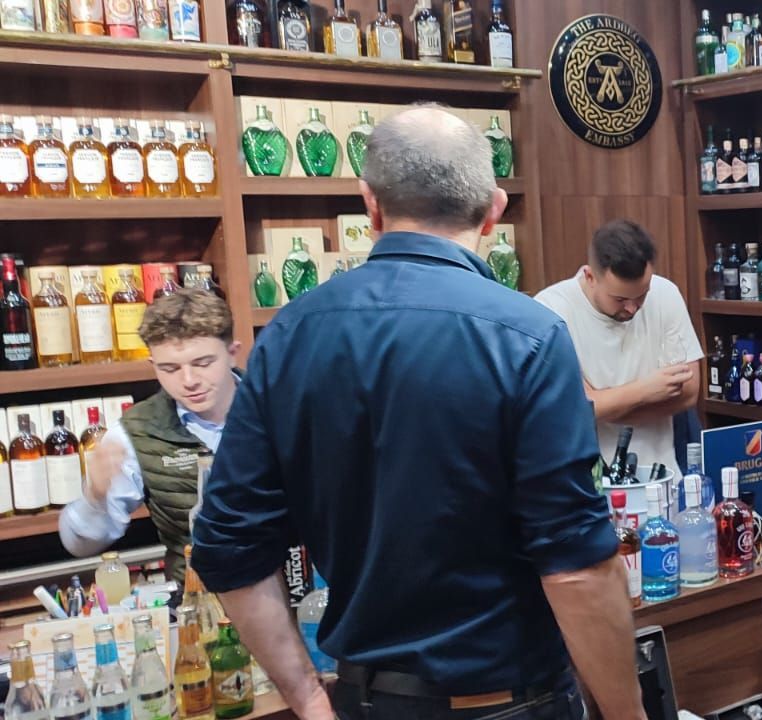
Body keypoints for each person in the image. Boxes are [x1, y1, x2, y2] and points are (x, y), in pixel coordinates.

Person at [191, 106, 646, 720]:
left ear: (370, 205)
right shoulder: (529, 337)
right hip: (508, 702)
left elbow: (227, 543)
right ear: (493, 210)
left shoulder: (289, 335)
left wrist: (307, 699)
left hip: (368, 701)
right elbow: (576, 569)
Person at [58, 289, 242, 579]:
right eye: (170, 368)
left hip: (295, 585)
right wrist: (95, 497)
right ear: (152, 366)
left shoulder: (278, 407)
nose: (189, 381)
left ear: (232, 354)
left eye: (203, 363)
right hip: (198, 595)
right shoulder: (135, 432)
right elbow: (79, 545)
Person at [534, 219, 703, 477]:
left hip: (663, 473)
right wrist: (646, 390)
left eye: (642, 295)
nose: (632, 308)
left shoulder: (665, 293)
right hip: (589, 479)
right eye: (620, 299)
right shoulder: (551, 310)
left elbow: (689, 393)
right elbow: (573, 408)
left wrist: (606, 407)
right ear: (590, 277)